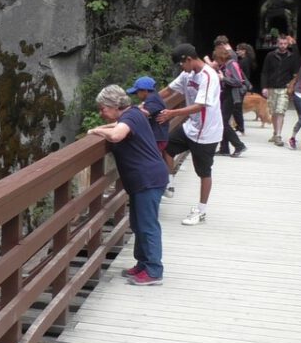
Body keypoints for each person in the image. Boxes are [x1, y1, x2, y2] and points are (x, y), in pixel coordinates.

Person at [88, 85, 170, 286]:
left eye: (102, 108)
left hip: (148, 179)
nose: (100, 113)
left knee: (147, 225)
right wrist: (101, 129)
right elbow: (117, 126)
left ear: (115, 105)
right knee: (138, 223)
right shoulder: (132, 113)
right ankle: (143, 264)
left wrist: (97, 131)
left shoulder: (131, 117)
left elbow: (116, 135)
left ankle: (154, 271)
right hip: (144, 179)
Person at [156, 43, 222, 226]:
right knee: (166, 147)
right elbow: (169, 91)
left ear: (189, 59)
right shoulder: (187, 74)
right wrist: (146, 104)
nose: (180, 68)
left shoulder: (209, 76)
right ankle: (169, 184)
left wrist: (172, 113)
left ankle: (201, 211)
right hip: (191, 126)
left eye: (181, 64)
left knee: (203, 172)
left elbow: (200, 105)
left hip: (207, 132)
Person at [260, 35, 301, 146]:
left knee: (280, 111)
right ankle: (275, 133)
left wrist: (294, 45)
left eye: (285, 44)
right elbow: (265, 72)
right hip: (272, 87)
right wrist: (264, 87)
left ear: (288, 44)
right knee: (273, 112)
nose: (283, 46)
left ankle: (278, 135)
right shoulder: (270, 55)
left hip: (284, 88)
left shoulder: (291, 56)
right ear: (277, 43)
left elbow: (298, 64)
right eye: (281, 43)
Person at [214, 47, 246, 158]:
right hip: (225, 94)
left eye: (216, 59)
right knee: (222, 121)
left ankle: (239, 145)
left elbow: (238, 81)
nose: (216, 61)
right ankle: (224, 148)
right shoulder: (225, 65)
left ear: (221, 57)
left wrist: (223, 79)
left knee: (222, 122)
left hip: (231, 95)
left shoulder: (232, 64)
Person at [233, 43, 257, 134]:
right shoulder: (247, 60)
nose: (237, 52)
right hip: (243, 86)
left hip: (241, 86)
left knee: (237, 107)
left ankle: (240, 127)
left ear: (244, 51)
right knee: (237, 107)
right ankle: (239, 126)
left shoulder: (244, 62)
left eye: (238, 50)